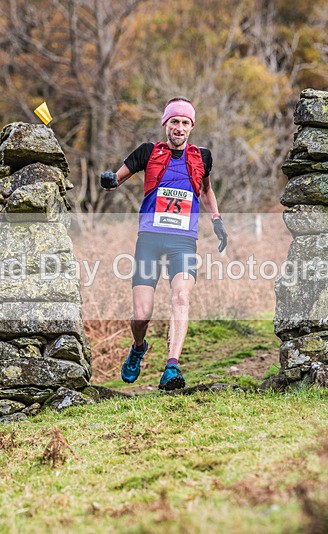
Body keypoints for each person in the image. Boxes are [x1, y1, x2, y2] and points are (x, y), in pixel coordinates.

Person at [99, 97, 228, 391]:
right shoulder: (148, 152)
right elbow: (117, 179)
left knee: (181, 297)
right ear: (165, 125)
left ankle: (172, 367)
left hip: (184, 242)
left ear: (191, 127)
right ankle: (139, 346)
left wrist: (217, 220)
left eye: (185, 123)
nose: (179, 128)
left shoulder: (202, 157)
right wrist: (109, 180)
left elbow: (206, 191)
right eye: (174, 122)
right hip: (150, 240)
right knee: (142, 314)